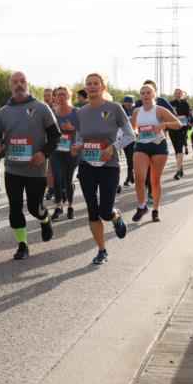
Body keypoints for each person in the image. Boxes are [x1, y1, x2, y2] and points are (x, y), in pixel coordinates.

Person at [0, 71, 59, 261]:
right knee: (15, 208)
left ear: (28, 84)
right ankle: (22, 245)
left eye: (22, 81)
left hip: (36, 170)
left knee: (35, 208)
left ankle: (44, 219)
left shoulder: (42, 108)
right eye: (15, 82)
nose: (19, 85)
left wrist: (44, 153)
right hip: (13, 170)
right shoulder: (3, 112)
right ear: (9, 86)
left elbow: (55, 135)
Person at [70, 73, 133, 265]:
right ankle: (102, 250)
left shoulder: (114, 108)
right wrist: (76, 146)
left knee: (105, 211)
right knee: (92, 211)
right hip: (87, 165)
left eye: (95, 84)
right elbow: (79, 137)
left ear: (103, 87)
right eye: (88, 84)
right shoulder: (81, 112)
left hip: (109, 165)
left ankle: (115, 216)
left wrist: (113, 147)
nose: (91, 87)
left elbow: (130, 136)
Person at [131, 83, 182, 222]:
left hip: (158, 146)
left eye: (148, 92)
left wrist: (163, 125)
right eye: (143, 93)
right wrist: (136, 131)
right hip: (141, 145)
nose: (145, 95)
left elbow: (178, 124)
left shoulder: (159, 110)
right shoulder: (136, 111)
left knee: (155, 180)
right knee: (139, 177)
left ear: (154, 95)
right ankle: (141, 207)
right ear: (140, 96)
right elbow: (133, 127)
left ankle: (155, 209)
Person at [49, 85, 80, 220]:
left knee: (68, 180)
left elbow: (83, 130)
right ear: (55, 97)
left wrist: (72, 128)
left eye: (64, 94)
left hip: (71, 151)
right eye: (59, 95)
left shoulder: (76, 112)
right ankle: (58, 207)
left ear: (69, 96)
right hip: (56, 150)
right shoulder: (51, 112)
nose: (61, 97)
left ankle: (70, 207)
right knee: (57, 178)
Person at [169, 88, 192, 179]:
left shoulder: (185, 103)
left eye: (179, 93)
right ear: (174, 94)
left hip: (182, 128)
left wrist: (189, 120)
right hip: (173, 129)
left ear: (182, 94)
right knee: (176, 150)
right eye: (176, 93)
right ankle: (181, 169)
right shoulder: (171, 104)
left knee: (179, 149)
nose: (178, 94)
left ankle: (178, 171)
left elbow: (189, 115)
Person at [120, 95, 137, 188]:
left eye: (131, 103)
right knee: (128, 158)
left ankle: (128, 178)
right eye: (127, 102)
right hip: (123, 137)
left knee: (130, 158)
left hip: (134, 137)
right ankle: (131, 176)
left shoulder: (136, 110)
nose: (129, 104)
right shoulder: (121, 110)